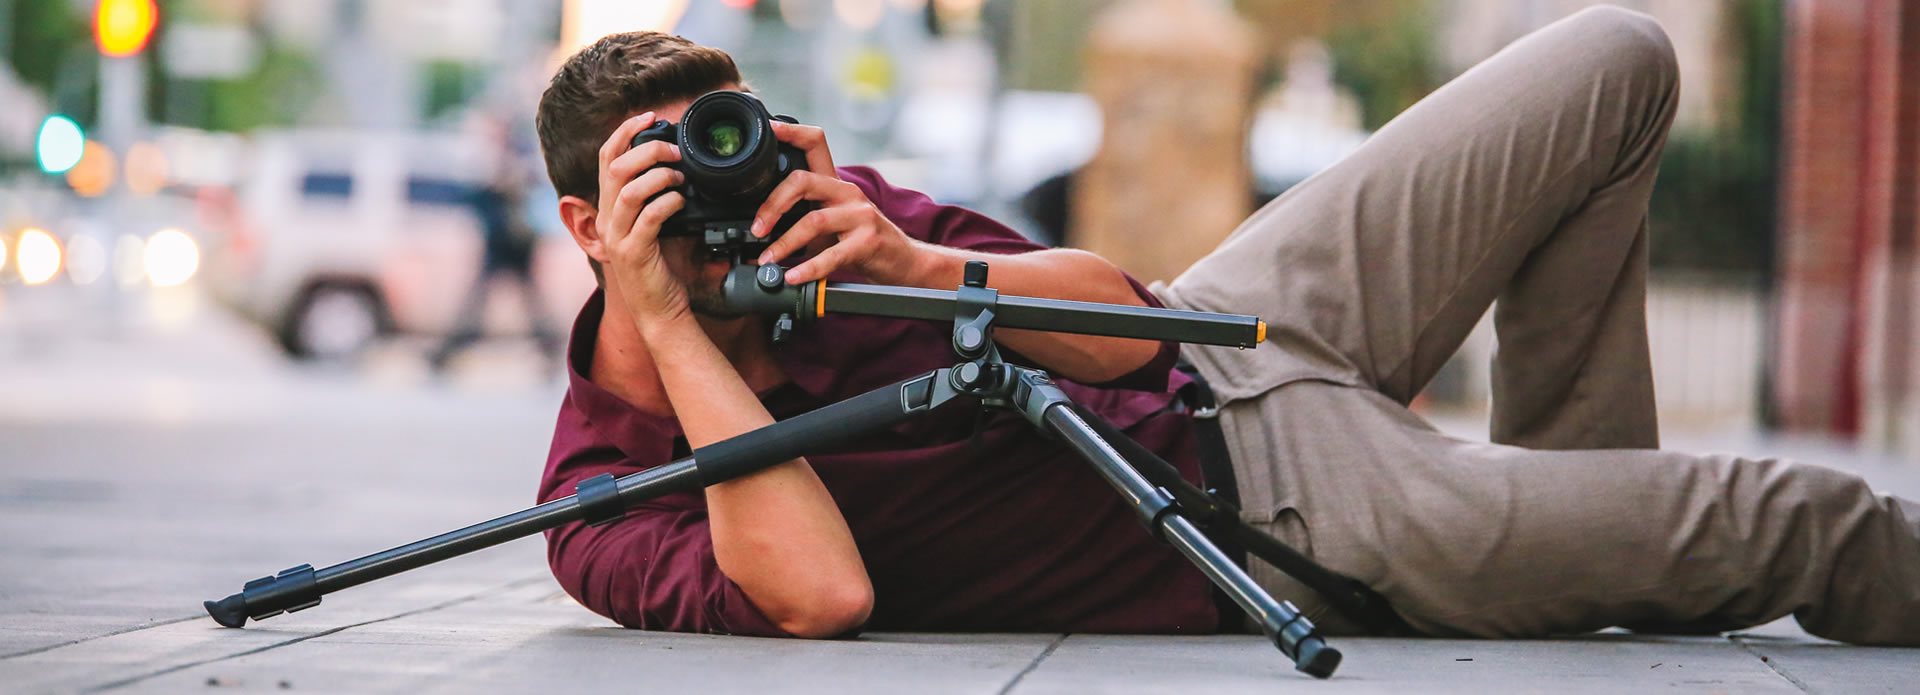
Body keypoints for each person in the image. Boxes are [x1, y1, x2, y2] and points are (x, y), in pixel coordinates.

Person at [532, 8, 1920, 643]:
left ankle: (1585, 517)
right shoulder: (600, 500)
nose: (711, 196)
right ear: (588, 226)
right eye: (651, 184)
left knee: (1618, 58)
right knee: (1809, 517)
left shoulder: (824, 210)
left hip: (1233, 323)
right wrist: (672, 315)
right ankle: (1593, 537)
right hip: (1275, 514)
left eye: (718, 147)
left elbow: (1131, 334)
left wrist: (904, 253)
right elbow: (819, 592)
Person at [430, 118, 564, 373]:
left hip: (517, 244)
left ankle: (551, 350)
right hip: (499, 243)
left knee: (530, 305)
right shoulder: (489, 161)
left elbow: (536, 194)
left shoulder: (520, 159)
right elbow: (472, 197)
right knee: (478, 303)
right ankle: (448, 352)